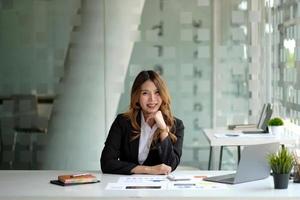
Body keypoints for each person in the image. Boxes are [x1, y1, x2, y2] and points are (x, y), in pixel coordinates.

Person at [100, 70, 184, 175]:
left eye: (157, 92)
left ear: (163, 95)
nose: (152, 99)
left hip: (159, 188)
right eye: (145, 93)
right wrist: (148, 170)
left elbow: (171, 165)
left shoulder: (177, 125)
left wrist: (163, 130)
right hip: (127, 187)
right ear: (137, 97)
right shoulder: (122, 122)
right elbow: (106, 163)